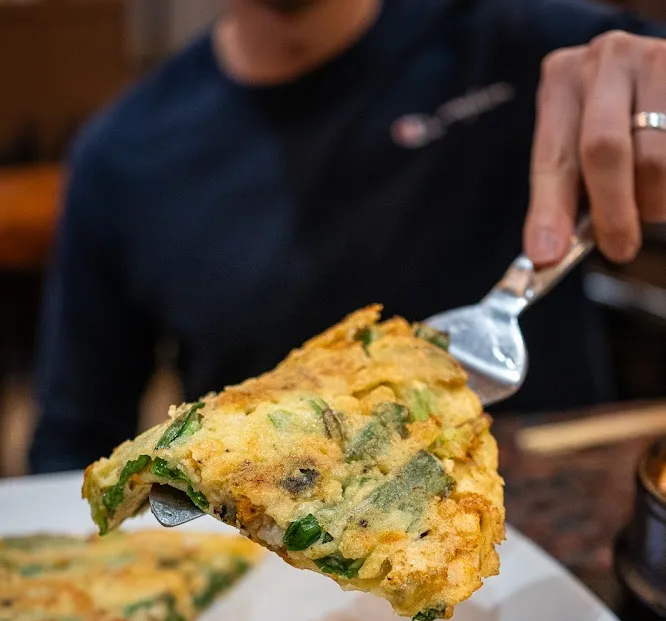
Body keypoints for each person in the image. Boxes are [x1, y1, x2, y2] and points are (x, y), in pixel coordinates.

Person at [30, 0, 666, 474]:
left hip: (559, 551)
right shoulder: (120, 157)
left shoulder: (525, 44)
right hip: (267, 576)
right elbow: (72, 443)